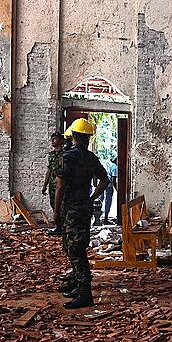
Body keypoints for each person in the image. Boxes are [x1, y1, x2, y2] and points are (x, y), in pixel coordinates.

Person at [54, 118, 110, 309]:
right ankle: (78, 285)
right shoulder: (91, 158)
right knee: (74, 247)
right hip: (83, 209)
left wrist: (56, 212)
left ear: (73, 136)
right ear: (87, 138)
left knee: (75, 250)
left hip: (70, 208)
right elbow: (104, 181)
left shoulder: (66, 157)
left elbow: (60, 187)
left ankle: (85, 293)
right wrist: (91, 197)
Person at [42, 132, 64, 234]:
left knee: (61, 205)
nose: (52, 141)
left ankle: (64, 227)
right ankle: (58, 227)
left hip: (62, 184)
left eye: (55, 139)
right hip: (52, 184)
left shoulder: (65, 154)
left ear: (61, 141)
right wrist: (44, 185)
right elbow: (49, 171)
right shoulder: (51, 155)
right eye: (52, 139)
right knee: (53, 204)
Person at [103, 158, 118, 224]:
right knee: (108, 201)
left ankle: (102, 217)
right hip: (108, 185)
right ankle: (105, 218)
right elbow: (113, 180)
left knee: (102, 200)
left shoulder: (110, 165)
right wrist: (117, 190)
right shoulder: (115, 167)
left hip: (103, 183)